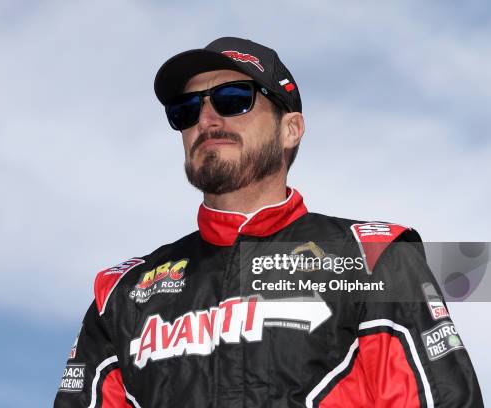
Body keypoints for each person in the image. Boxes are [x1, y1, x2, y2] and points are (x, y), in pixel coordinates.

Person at [54, 37, 482, 407]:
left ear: (290, 129)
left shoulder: (375, 259)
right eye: (186, 110)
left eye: (232, 99)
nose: (206, 120)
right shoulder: (122, 294)